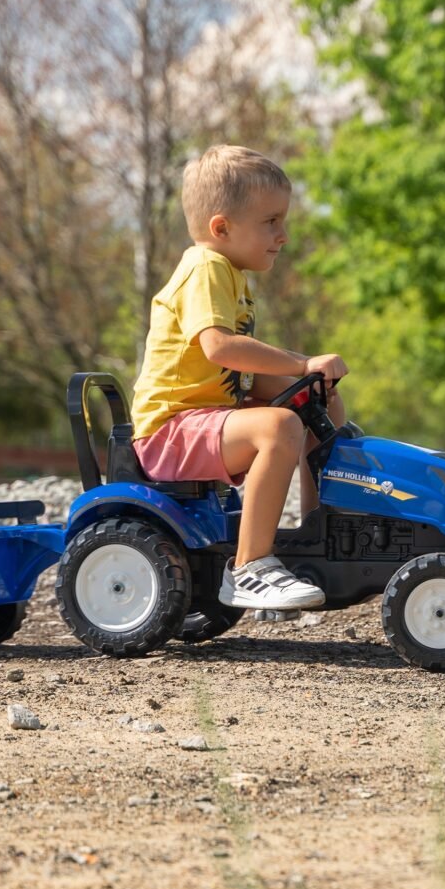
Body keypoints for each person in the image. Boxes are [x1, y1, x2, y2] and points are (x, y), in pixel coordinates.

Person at [131, 144, 348, 611]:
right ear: (222, 228)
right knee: (280, 425)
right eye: (271, 221)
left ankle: (320, 529)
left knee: (320, 400)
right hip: (171, 429)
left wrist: (309, 380)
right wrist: (300, 362)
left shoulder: (233, 275)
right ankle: (250, 567)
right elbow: (220, 348)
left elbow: (235, 372)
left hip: (208, 417)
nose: (283, 235)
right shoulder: (205, 267)